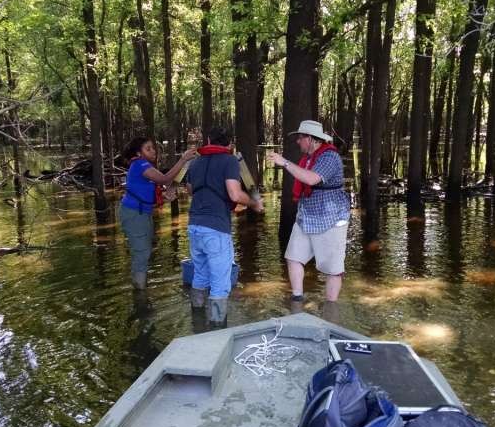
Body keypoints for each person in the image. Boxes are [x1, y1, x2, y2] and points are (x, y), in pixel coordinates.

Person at [186, 127, 264, 325]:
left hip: (195, 227)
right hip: (216, 229)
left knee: (200, 276)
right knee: (220, 285)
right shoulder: (230, 161)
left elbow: (190, 190)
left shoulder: (195, 162)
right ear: (229, 144)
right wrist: (255, 203)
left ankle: (197, 322)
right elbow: (235, 195)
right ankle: (217, 330)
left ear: (209, 140)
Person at [267, 120, 350, 302]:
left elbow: (312, 179)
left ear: (311, 139)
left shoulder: (329, 157)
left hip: (331, 217)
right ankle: (297, 300)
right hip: (307, 217)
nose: (297, 142)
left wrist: (285, 163)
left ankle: (330, 309)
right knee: (293, 257)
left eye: (300, 138)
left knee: (333, 270)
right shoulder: (308, 158)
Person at [121, 137, 197, 290]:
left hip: (142, 213)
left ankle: (141, 288)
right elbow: (165, 178)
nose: (153, 151)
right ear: (138, 153)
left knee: (144, 252)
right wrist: (183, 159)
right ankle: (140, 295)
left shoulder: (144, 166)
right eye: (148, 148)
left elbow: (163, 185)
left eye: (153, 148)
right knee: (142, 253)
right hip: (134, 214)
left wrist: (164, 197)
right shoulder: (140, 164)